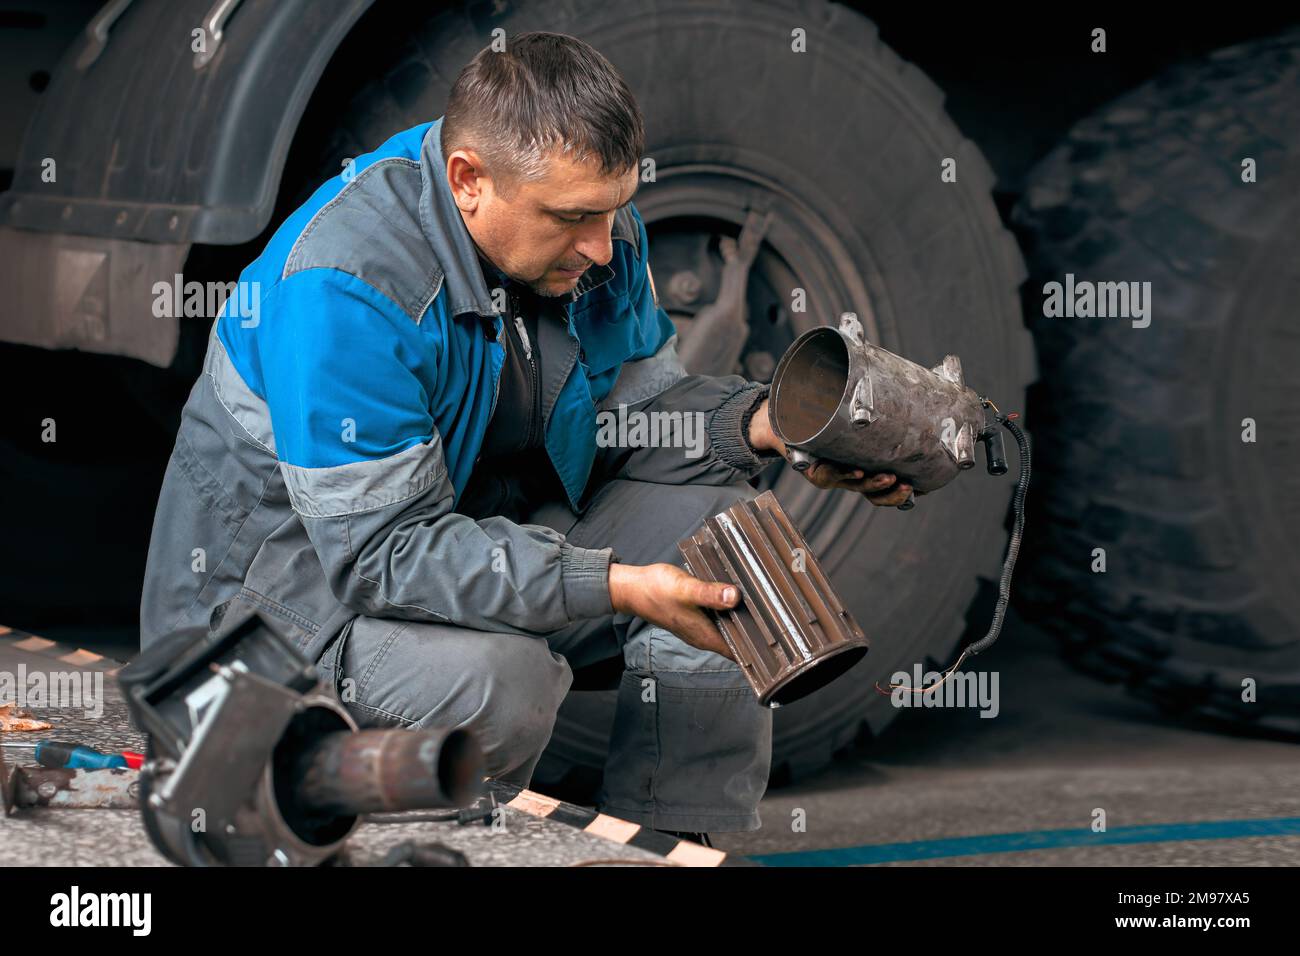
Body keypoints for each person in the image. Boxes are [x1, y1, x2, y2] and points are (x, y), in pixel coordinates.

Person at [139, 31, 911, 839]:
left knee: (723, 532)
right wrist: (612, 584)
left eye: (612, 210)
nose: (603, 247)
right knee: (503, 686)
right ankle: (447, 853)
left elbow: (632, 420)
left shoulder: (589, 238)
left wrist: (763, 428)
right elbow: (383, 558)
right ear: (468, 181)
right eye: (573, 217)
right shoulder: (348, 289)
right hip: (274, 622)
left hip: (449, 542)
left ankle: (677, 844)